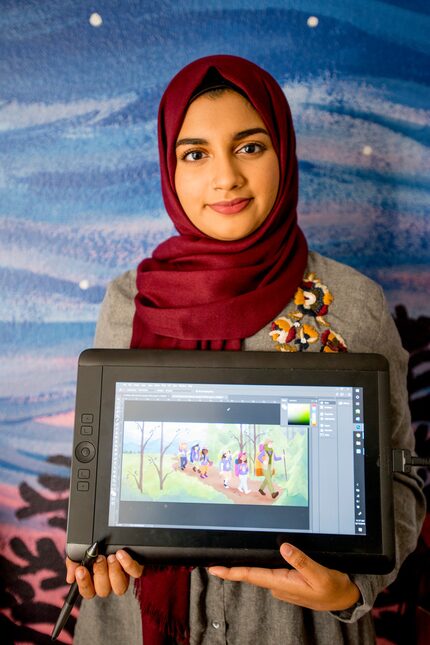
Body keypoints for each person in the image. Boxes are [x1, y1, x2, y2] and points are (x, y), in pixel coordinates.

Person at [66, 55, 425, 645]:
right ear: (170, 167)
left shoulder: (353, 303)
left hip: (294, 629)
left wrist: (352, 587)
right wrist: (90, 553)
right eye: (196, 153)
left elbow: (401, 474)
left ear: (283, 151)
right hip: (133, 626)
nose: (225, 176)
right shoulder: (130, 300)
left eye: (250, 147)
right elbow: (99, 470)